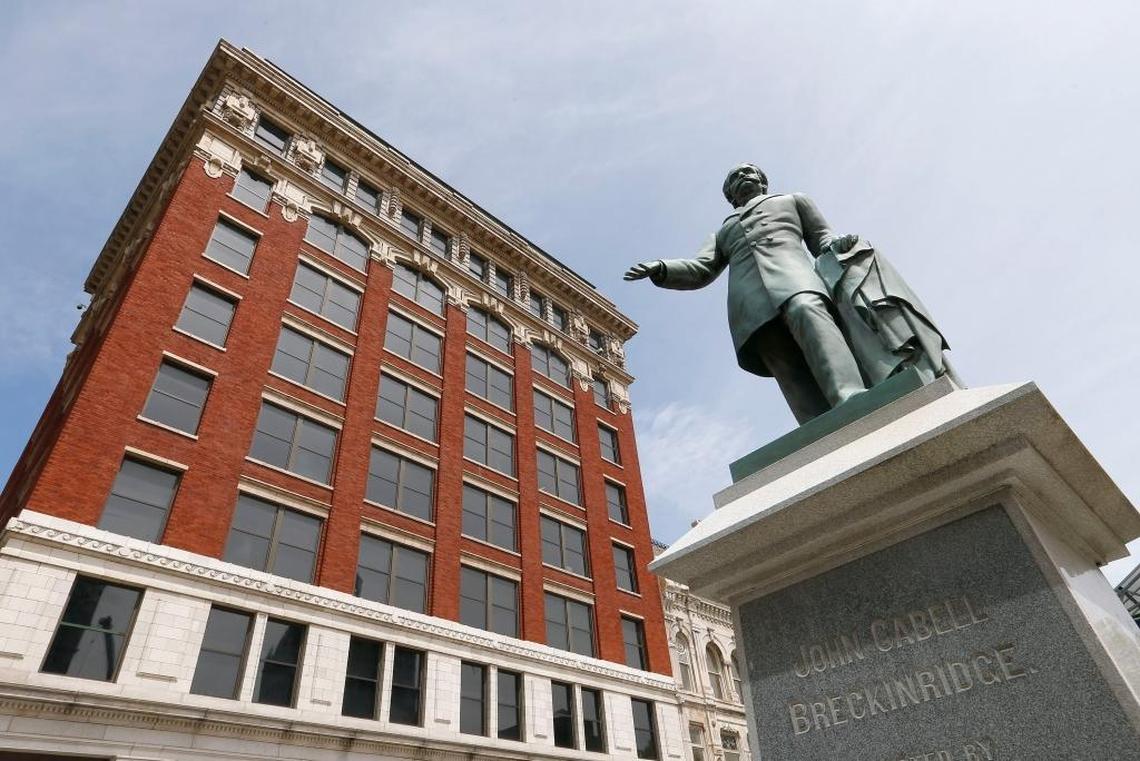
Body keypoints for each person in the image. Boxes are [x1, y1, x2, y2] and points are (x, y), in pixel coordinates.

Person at [624, 163, 866, 424]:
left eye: (747, 172)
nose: (742, 177)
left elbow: (821, 238)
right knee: (779, 355)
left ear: (762, 180)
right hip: (748, 302)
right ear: (730, 195)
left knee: (807, 311)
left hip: (796, 278)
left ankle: (849, 393)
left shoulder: (794, 201)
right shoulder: (722, 232)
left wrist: (838, 244)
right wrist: (661, 268)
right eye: (734, 177)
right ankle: (815, 423)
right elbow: (701, 269)